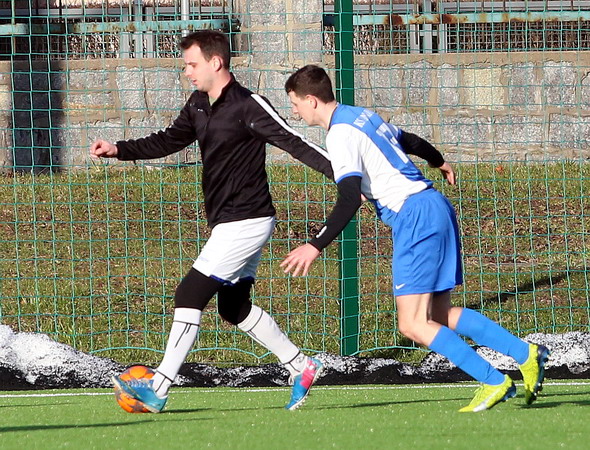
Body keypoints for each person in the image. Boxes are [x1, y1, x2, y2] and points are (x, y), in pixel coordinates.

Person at [280, 64, 550, 412]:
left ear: (312, 101)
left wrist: (314, 245)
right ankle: (525, 354)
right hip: (434, 207)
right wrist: (438, 160)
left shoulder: (339, 134)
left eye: (295, 104)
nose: (295, 112)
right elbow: (408, 140)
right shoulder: (361, 115)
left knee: (412, 323)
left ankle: (494, 381)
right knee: (439, 314)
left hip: (415, 217)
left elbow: (348, 198)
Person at [90, 32, 334, 412]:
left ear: (215, 62)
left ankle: (158, 387)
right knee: (233, 307)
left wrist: (346, 177)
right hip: (228, 222)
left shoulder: (248, 105)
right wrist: (119, 149)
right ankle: (300, 365)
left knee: (189, 294)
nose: (187, 72)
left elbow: (293, 142)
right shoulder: (198, 104)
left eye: (192, 64)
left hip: (248, 219)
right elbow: (168, 140)